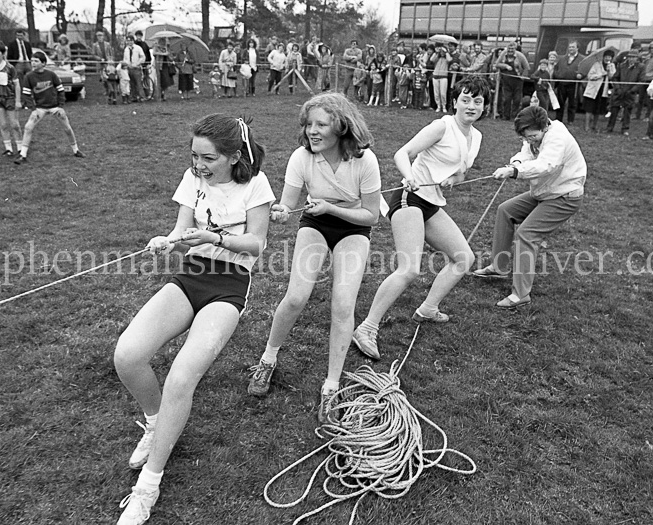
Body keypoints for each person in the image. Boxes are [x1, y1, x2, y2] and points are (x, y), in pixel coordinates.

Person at [114, 114, 274, 525]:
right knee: (127, 355)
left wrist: (215, 237)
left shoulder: (256, 185)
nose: (198, 165)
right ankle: (156, 423)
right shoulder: (192, 179)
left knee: (181, 378)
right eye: (194, 156)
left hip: (230, 284)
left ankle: (147, 488)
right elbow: (181, 231)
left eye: (208, 158)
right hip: (191, 275)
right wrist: (167, 241)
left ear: (233, 156)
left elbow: (256, 244)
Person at [247, 93, 381, 424]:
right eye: (309, 124)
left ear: (341, 126)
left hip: (353, 227)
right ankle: (268, 359)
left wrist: (331, 207)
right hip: (315, 224)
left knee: (343, 304)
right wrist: (280, 211)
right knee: (296, 296)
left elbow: (371, 216)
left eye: (321, 124)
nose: (312, 131)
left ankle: (331, 386)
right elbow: (288, 203)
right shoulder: (302, 157)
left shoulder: (365, 160)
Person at [352, 77, 489, 359]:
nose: (471, 106)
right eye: (465, 100)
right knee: (409, 269)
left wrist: (452, 179)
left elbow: (462, 171)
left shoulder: (476, 137)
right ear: (454, 102)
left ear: (484, 106)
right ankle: (366, 328)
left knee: (464, 258)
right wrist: (409, 176)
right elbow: (403, 153)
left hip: (431, 202)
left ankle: (428, 309)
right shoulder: (442, 126)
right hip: (410, 198)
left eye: (477, 101)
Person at [472, 105, 586, 309]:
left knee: (527, 234)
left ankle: (520, 295)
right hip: (546, 192)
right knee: (505, 210)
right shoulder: (534, 135)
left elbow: (545, 165)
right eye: (525, 137)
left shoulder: (557, 138)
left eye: (532, 136)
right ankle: (499, 267)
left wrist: (515, 172)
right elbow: (525, 153)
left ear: (544, 127)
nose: (529, 140)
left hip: (565, 196)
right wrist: (513, 165)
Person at [14, 52, 84, 164]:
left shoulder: (51, 75)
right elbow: (26, 94)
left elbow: (61, 90)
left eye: (36, 61)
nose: (33, 63)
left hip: (55, 107)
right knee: (28, 127)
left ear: (43, 63)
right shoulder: (29, 77)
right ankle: (23, 155)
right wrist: (33, 109)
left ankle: (76, 150)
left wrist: (60, 107)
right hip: (40, 108)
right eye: (32, 61)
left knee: (67, 128)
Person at [606, 49, 643, 136]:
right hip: (619, 91)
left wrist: (632, 90)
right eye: (630, 57)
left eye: (633, 57)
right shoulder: (621, 65)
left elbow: (641, 81)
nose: (631, 59)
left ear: (637, 58)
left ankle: (625, 129)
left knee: (627, 111)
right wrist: (617, 88)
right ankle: (609, 127)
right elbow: (615, 78)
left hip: (630, 92)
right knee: (614, 109)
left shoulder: (641, 67)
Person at [582, 49, 615, 132]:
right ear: (603, 57)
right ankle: (587, 126)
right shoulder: (596, 65)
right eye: (606, 56)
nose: (607, 58)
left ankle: (594, 125)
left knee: (598, 109)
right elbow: (590, 76)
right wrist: (601, 74)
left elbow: (612, 77)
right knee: (589, 109)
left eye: (609, 57)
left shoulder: (612, 66)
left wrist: (609, 72)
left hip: (603, 90)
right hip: (593, 90)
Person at [494, 42, 529, 120]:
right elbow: (497, 64)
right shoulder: (503, 54)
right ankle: (506, 116)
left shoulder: (520, 56)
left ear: (515, 49)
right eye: (509, 48)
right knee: (507, 99)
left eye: (512, 49)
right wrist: (505, 66)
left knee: (517, 99)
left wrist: (523, 77)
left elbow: (527, 67)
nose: (510, 50)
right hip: (506, 80)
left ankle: (515, 116)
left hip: (517, 80)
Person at [553, 41, 585, 125]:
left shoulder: (582, 59)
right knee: (560, 102)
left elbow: (585, 70)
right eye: (570, 47)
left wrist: (581, 75)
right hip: (562, 83)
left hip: (574, 84)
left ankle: (570, 120)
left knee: (572, 103)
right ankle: (558, 119)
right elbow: (555, 69)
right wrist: (558, 75)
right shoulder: (562, 58)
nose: (571, 48)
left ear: (577, 48)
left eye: (573, 47)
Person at [636, 40, 653, 120]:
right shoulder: (647, 56)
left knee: (649, 100)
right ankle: (637, 115)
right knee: (640, 99)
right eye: (651, 48)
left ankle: (648, 116)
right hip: (643, 79)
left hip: (651, 80)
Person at [92, 30, 115, 100]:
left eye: (101, 36)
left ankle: (111, 89)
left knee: (109, 76)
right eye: (98, 36)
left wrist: (110, 59)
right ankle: (106, 89)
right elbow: (93, 55)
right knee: (103, 78)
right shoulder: (95, 45)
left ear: (103, 36)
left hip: (108, 62)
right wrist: (100, 59)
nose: (100, 37)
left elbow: (111, 53)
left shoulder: (107, 44)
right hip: (100, 63)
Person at [123, 35, 146, 102]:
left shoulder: (138, 48)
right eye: (128, 41)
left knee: (139, 83)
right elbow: (125, 59)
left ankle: (142, 97)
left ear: (133, 41)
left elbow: (142, 57)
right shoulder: (126, 49)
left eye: (130, 41)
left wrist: (138, 63)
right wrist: (127, 64)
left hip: (137, 68)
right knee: (132, 84)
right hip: (129, 68)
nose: (129, 42)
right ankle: (134, 97)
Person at [133, 30, 153, 99]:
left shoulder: (144, 44)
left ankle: (147, 94)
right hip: (136, 65)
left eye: (140, 36)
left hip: (145, 64)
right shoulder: (134, 44)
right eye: (137, 36)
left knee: (146, 79)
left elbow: (148, 54)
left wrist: (148, 62)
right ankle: (137, 94)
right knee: (137, 80)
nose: (139, 37)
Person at [430, 46, 450, 112]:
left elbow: (449, 60)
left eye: (443, 52)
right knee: (436, 93)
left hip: (443, 77)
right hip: (435, 76)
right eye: (441, 52)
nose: (442, 53)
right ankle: (438, 106)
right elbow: (431, 59)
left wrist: (446, 52)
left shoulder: (447, 58)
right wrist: (436, 52)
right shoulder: (437, 58)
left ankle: (444, 106)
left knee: (443, 93)